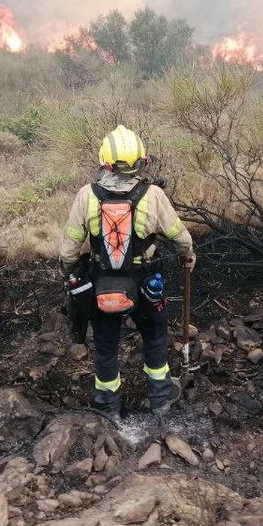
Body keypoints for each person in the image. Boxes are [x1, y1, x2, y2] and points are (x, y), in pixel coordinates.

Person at [59, 124, 196, 419]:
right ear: (141, 161)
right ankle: (160, 396)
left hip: (102, 282)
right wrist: (189, 256)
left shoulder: (87, 195)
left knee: (106, 343)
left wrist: (72, 273)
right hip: (146, 281)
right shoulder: (153, 195)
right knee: (155, 336)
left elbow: (68, 250)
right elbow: (180, 237)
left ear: (104, 161)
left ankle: (108, 405)